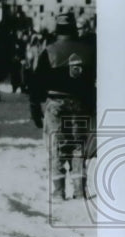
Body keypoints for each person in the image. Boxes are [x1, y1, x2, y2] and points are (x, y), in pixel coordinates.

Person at [29, 11, 96, 199]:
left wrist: (35, 107)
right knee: (78, 145)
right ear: (74, 28)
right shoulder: (89, 51)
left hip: (56, 104)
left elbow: (36, 83)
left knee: (57, 145)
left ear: (57, 29)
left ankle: (58, 191)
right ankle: (80, 190)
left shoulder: (49, 51)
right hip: (80, 103)